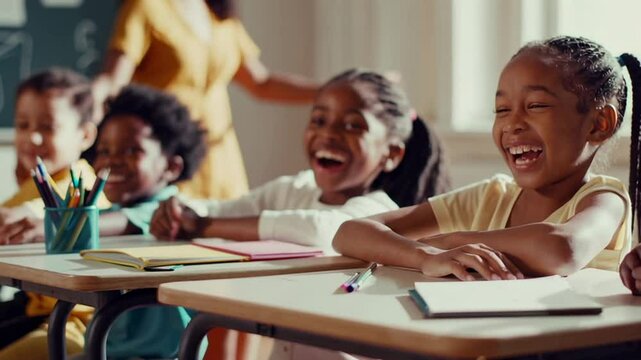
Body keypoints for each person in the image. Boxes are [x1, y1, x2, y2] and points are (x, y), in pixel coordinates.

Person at [150, 69, 450, 359]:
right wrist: (180, 211)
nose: (328, 134)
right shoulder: (293, 190)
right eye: (318, 120)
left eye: (353, 126)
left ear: (391, 154)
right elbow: (218, 209)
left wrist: (202, 225)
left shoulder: (379, 211)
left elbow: (324, 230)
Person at [333, 36, 638, 281]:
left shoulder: (603, 199)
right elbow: (350, 232)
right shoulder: (489, 197)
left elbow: (562, 248)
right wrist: (426, 257)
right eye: (502, 110)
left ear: (599, 124)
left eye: (535, 105)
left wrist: (449, 241)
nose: (512, 123)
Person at [92, 0, 319, 200]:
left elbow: (261, 83)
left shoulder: (220, 16)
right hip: (171, 155)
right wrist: (86, 102)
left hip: (221, 157)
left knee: (226, 235)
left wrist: (331, 91)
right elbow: (114, 80)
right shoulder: (146, 6)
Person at [0, 68, 107, 359]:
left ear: (85, 135)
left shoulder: (79, 184)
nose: (32, 137)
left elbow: (23, 216)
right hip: (33, 307)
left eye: (47, 127)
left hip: (76, 319)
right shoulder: (36, 181)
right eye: (22, 124)